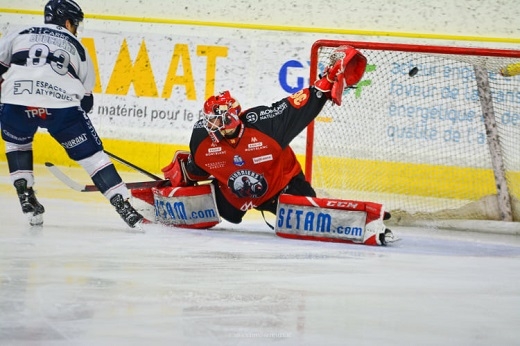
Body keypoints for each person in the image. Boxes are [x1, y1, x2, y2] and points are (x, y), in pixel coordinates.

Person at [166, 46, 368, 225]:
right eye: (210, 119)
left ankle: (344, 222)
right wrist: (177, 183)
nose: (211, 125)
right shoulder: (202, 139)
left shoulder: (264, 125)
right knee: (226, 212)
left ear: (232, 118)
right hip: (235, 197)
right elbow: (197, 170)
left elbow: (295, 108)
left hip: (282, 185)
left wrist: (325, 84)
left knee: (308, 216)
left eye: (218, 119)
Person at [0, 0, 143, 228]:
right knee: (93, 158)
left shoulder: (19, 33)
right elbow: (86, 99)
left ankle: (24, 192)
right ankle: (124, 206)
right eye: (75, 24)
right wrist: (76, 128)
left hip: (16, 102)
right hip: (62, 109)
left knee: (16, 144)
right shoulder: (78, 47)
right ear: (67, 22)